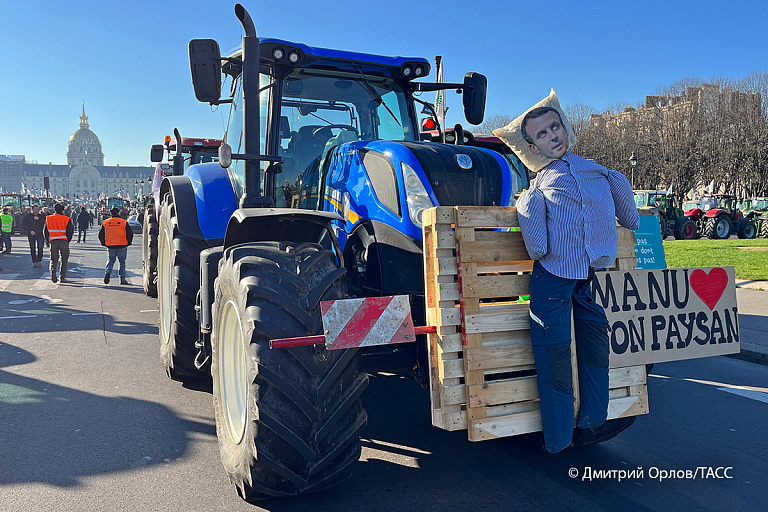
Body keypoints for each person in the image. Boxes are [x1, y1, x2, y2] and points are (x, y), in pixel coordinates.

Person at [516, 106, 639, 454]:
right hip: (589, 273)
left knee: (552, 352)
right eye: (543, 133)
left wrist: (525, 203)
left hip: (553, 278)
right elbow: (631, 219)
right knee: (594, 342)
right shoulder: (604, 174)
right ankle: (592, 419)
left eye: (554, 127)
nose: (552, 135)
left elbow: (538, 247)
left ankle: (557, 439)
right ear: (534, 145)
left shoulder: (541, 184)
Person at [98, 206, 133, 285]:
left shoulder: (105, 222)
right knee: (122, 262)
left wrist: (104, 243)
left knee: (110, 260)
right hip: (122, 244)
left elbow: (100, 234)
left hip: (110, 245)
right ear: (118, 213)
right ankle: (122, 279)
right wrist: (128, 242)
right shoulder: (123, 222)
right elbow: (130, 233)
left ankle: (108, 272)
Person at [44, 203, 74, 283]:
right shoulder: (66, 219)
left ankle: (53, 272)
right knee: (64, 259)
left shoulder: (49, 218)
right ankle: (62, 277)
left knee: (53, 259)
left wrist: (48, 240)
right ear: (63, 211)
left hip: (53, 241)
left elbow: (45, 231)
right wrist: (68, 240)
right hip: (64, 241)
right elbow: (70, 231)